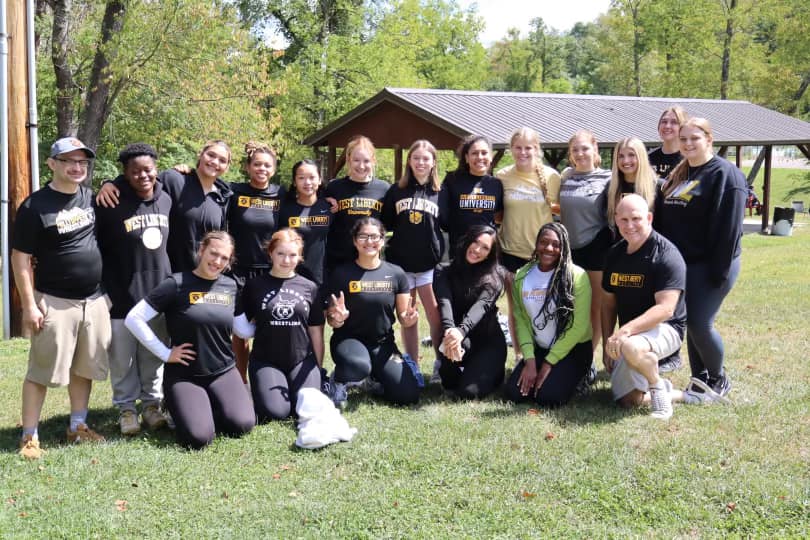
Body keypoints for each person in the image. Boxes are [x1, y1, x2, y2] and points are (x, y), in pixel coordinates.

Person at [12, 137, 111, 459]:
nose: (77, 167)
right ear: (52, 164)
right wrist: (29, 304)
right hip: (54, 301)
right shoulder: (34, 206)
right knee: (41, 371)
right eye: (69, 161)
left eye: (82, 162)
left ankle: (77, 426)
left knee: (84, 368)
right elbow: (20, 258)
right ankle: (29, 435)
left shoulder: (90, 197)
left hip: (94, 300)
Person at [125, 231, 255, 449]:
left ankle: (207, 405)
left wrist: (273, 316)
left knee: (242, 424)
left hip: (223, 371)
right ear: (201, 250)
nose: (217, 261)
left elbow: (243, 330)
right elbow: (133, 318)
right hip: (185, 374)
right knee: (199, 438)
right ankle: (176, 406)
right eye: (213, 254)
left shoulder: (230, 286)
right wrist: (166, 353)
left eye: (224, 258)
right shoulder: (176, 284)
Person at [654, 118, 747, 399]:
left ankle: (719, 379)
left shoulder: (725, 175)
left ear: (709, 138)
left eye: (695, 138)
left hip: (714, 263)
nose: (688, 144)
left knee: (699, 322)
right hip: (684, 265)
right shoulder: (680, 173)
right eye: (684, 139)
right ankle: (700, 379)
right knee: (690, 324)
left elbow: (728, 229)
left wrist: (717, 273)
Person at [95, 143, 172, 435]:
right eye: (134, 171)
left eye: (148, 170)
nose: (143, 176)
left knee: (153, 354)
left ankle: (152, 406)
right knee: (123, 358)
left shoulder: (167, 197)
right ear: (125, 175)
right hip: (122, 294)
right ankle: (127, 410)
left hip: (158, 295)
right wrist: (107, 184)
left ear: (156, 169)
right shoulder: (110, 202)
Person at [601, 195, 688, 420]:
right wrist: (606, 344)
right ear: (616, 221)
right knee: (627, 401)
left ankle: (656, 387)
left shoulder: (666, 255)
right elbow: (608, 304)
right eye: (624, 220)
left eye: (636, 219)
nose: (630, 226)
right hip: (632, 334)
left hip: (667, 328)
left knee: (630, 347)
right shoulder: (614, 254)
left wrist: (624, 331)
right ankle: (677, 393)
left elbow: (666, 309)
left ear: (649, 218)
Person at [325, 218, 421, 408]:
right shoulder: (341, 273)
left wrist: (409, 319)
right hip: (348, 340)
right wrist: (337, 318)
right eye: (363, 236)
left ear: (383, 240)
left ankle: (374, 379)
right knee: (358, 366)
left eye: (374, 236)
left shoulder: (396, 274)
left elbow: (404, 317)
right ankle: (339, 380)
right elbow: (331, 319)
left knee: (408, 395)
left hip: (382, 343)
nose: (369, 241)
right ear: (354, 241)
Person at [96, 140, 234, 272]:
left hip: (202, 277)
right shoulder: (174, 179)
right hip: (170, 274)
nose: (215, 162)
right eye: (211, 155)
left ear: (227, 167)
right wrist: (110, 183)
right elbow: (142, 179)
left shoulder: (223, 197)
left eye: (222, 160)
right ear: (200, 154)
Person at [607, 137, 682, 374]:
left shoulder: (658, 186)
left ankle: (668, 354)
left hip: (653, 257)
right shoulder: (612, 188)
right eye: (621, 156)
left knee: (658, 304)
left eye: (632, 155)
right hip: (623, 255)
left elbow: (667, 226)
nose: (626, 161)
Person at [233, 229, 324, 421]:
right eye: (280, 253)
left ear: (300, 257)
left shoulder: (310, 287)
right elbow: (240, 330)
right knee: (276, 412)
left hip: (301, 359)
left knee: (306, 408)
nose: (286, 260)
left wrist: (317, 368)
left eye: (292, 255)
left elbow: (316, 331)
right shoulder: (254, 286)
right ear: (270, 253)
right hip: (266, 360)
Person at [505, 223, 593, 406]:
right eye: (543, 242)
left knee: (548, 398)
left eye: (556, 244)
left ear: (564, 248)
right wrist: (529, 362)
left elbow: (579, 326)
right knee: (515, 394)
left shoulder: (577, 276)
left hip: (573, 350)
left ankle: (582, 376)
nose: (549, 248)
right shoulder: (522, 275)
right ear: (536, 244)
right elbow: (521, 320)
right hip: (540, 348)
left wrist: (547, 364)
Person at [496, 127, 561, 360]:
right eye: (518, 147)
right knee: (517, 309)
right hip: (511, 251)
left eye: (528, 148)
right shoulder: (502, 176)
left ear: (537, 150)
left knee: (544, 306)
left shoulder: (553, 177)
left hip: (543, 254)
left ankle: (546, 353)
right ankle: (521, 356)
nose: (523, 152)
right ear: (511, 149)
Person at [382, 140, 444, 375]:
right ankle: (413, 365)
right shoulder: (397, 190)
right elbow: (384, 221)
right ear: (409, 161)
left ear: (433, 162)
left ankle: (440, 363)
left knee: (435, 315)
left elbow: (448, 222)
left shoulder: (440, 191)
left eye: (426, 158)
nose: (421, 162)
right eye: (416, 158)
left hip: (429, 264)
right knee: (408, 316)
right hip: (402, 264)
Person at [227, 142, 285, 382]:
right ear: (247, 167)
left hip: (270, 273)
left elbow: (311, 193)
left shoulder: (282, 194)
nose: (262, 168)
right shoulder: (233, 191)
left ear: (273, 169)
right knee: (240, 333)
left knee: (269, 327)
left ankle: (268, 378)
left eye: (267, 165)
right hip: (239, 271)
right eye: (257, 164)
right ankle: (241, 382)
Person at [432, 225, 507, 399]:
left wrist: (460, 331)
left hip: (487, 341)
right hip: (457, 338)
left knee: (468, 393)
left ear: (490, 253)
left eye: (485, 248)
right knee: (450, 383)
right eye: (475, 242)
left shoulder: (495, 276)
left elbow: (480, 308)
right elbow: (445, 302)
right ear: (468, 240)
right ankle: (470, 370)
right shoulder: (443, 271)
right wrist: (451, 331)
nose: (477, 249)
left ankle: (493, 372)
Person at [558, 130, 612, 355]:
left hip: (596, 249)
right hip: (569, 249)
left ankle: (589, 356)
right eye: (575, 150)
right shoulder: (565, 176)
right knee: (570, 305)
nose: (580, 154)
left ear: (595, 148)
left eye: (584, 148)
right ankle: (570, 352)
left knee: (594, 307)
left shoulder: (608, 178)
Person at [324, 136, 390, 274]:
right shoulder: (334, 187)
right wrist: (325, 202)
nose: (361, 166)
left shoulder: (384, 189)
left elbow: (390, 223)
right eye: (356, 160)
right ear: (348, 160)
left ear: (373, 161)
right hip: (338, 262)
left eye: (366, 161)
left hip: (370, 263)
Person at [438, 135, 504, 254]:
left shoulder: (496, 184)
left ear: (491, 157)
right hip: (459, 251)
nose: (480, 157)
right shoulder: (452, 180)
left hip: (486, 251)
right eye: (474, 153)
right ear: (467, 158)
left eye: (484, 153)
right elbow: (443, 216)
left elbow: (498, 216)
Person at [279, 159, 332, 288]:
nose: (307, 182)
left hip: (321, 277)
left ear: (319, 180)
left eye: (312, 177)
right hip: (290, 276)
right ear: (294, 182)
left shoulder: (329, 207)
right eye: (301, 178)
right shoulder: (285, 208)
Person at [648, 106, 688, 180]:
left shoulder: (689, 159)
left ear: (683, 128)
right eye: (664, 121)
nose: (667, 126)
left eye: (674, 122)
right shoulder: (647, 158)